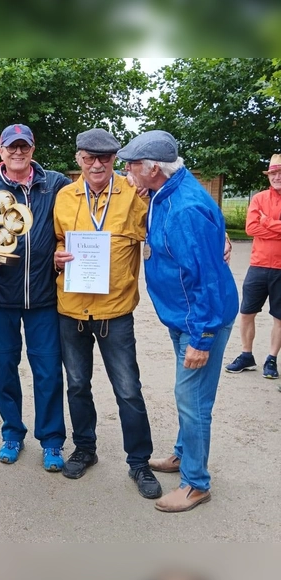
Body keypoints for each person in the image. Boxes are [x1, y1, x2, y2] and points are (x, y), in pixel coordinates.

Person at [120, 130, 238, 512]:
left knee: (193, 401)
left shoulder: (184, 208)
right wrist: (145, 194)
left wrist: (201, 338)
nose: (127, 170)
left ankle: (196, 483)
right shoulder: (164, 192)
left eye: (132, 164)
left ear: (154, 168)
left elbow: (204, 278)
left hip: (199, 320)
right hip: (184, 316)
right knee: (190, 396)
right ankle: (182, 455)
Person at [53, 127, 162, 499]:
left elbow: (166, 228)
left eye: (105, 157)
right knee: (78, 385)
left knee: (128, 390)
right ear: (78, 158)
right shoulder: (65, 197)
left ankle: (139, 462)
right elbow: (55, 242)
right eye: (89, 157)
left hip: (115, 312)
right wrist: (55, 257)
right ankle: (85, 448)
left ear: (115, 159)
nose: (97, 163)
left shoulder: (136, 194)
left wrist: (220, 237)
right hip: (72, 311)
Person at [0, 124, 69, 471]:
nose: (18, 152)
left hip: (44, 297)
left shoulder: (55, 185)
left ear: (33, 148)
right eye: (12, 147)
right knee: (4, 369)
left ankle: (52, 440)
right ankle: (12, 432)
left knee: (48, 371)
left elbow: (80, 214)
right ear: (1, 151)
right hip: (1, 299)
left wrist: (62, 249)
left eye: (24, 146)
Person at [224, 153, 281, 380]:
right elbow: (251, 228)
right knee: (247, 312)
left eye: (280, 173)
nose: (277, 177)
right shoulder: (258, 199)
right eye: (274, 173)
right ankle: (247, 355)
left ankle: (271, 358)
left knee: (279, 317)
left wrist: (267, 221)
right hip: (257, 265)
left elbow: (260, 225)